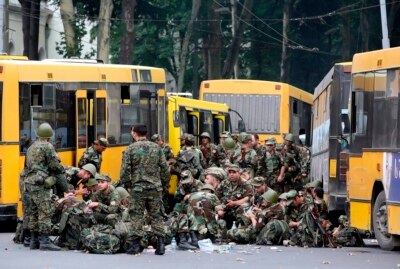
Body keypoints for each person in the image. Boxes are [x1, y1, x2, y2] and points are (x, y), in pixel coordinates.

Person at [120, 124, 170, 255]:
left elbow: (125, 171)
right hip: (155, 187)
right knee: (157, 215)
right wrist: (163, 184)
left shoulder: (130, 149)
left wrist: (128, 186)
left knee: (136, 215)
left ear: (134, 133)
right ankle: (160, 245)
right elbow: (165, 168)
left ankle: (136, 246)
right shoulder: (157, 148)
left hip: (138, 188)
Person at [24, 122, 65, 251]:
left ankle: (34, 241)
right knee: (45, 211)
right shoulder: (48, 146)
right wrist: (62, 169)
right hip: (40, 182)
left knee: (34, 212)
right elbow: (54, 165)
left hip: (29, 182)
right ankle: (45, 241)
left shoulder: (31, 147)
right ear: (49, 136)